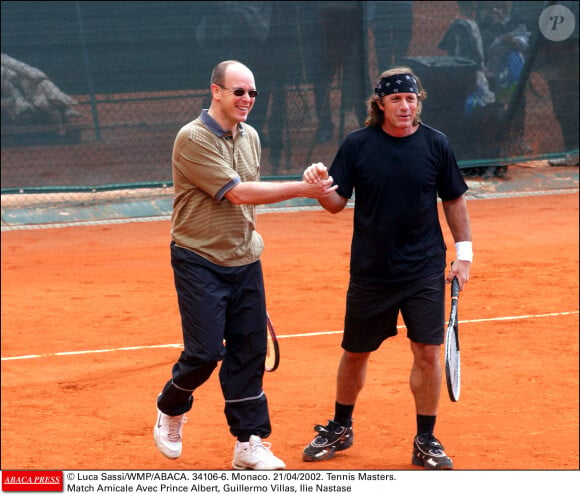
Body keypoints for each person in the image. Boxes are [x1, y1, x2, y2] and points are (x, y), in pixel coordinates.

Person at [153, 60, 337, 470]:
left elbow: (252, 195)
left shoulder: (250, 136)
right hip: (198, 259)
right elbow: (238, 194)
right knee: (203, 353)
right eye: (239, 91)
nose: (247, 99)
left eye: (252, 93)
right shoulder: (192, 138)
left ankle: (249, 442)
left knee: (249, 353)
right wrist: (303, 189)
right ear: (215, 92)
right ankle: (171, 405)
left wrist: (306, 180)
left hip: (245, 259)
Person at [301, 67, 473, 470]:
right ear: (379, 105)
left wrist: (463, 255)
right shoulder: (358, 145)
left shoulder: (436, 144)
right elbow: (335, 202)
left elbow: (454, 200)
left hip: (424, 271)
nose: (405, 106)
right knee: (355, 353)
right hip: (371, 272)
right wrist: (317, 184)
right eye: (396, 100)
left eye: (411, 99)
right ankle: (341, 427)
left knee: (428, 353)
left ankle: (425, 439)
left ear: (418, 102)